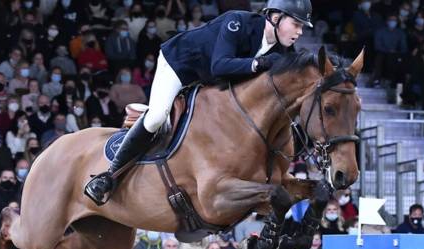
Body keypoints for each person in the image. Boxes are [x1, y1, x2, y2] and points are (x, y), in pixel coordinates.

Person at [83, 0, 311, 205]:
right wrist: (259, 63)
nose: (300, 32)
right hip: (180, 66)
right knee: (156, 117)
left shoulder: (281, 50)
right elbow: (220, 65)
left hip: (210, 83)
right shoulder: (238, 22)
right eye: (296, 24)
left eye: (302, 27)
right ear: (275, 17)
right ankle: (108, 177)